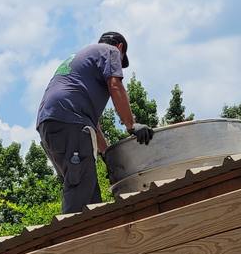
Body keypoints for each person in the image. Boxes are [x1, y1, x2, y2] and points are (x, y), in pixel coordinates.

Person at [36, 32, 154, 213]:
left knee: (86, 188)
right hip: (70, 122)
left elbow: (93, 125)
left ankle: (94, 229)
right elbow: (115, 85)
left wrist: (107, 154)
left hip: (50, 124)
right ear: (120, 47)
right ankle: (74, 231)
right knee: (80, 191)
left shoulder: (84, 60)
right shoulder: (110, 51)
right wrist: (131, 125)